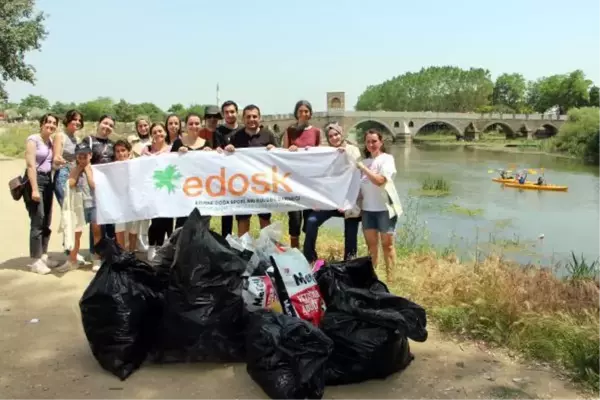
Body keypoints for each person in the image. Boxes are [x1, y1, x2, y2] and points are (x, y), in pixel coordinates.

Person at [303, 122, 361, 263]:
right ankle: (309, 258)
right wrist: (306, 152)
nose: (334, 138)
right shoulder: (327, 152)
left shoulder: (352, 149)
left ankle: (349, 261)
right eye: (330, 136)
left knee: (351, 231)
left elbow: (356, 169)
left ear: (341, 135)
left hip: (348, 202)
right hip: (330, 202)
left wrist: (345, 153)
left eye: (336, 134)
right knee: (311, 221)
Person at [351, 129, 402, 280]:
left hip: (385, 210)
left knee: (388, 245)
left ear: (380, 142)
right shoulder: (364, 162)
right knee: (371, 247)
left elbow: (380, 181)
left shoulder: (387, 159)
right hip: (368, 210)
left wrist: (363, 168)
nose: (371, 144)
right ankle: (374, 278)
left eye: (374, 141)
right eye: (368, 142)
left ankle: (391, 278)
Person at [223, 104, 277, 236]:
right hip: (243, 185)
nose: (251, 119)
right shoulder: (236, 136)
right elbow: (229, 160)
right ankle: (244, 252)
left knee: (264, 218)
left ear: (260, 118)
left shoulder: (268, 135)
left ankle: (267, 249)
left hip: (263, 185)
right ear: (243, 119)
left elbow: (278, 158)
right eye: (248, 117)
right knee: (243, 219)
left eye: (254, 116)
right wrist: (228, 150)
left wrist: (273, 149)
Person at [23, 113, 59, 274]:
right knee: (37, 219)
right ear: (41, 124)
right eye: (48, 122)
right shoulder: (33, 140)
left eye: (54, 123)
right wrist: (35, 189)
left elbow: (53, 162)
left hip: (48, 180)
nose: (50, 125)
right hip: (35, 180)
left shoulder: (50, 142)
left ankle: (44, 255)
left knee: (47, 220)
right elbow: (30, 165)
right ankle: (36, 261)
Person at [283, 100, 322, 248]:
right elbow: (282, 155)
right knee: (294, 217)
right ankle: (294, 251)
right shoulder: (289, 131)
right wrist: (289, 150)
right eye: (300, 111)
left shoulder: (316, 132)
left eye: (306, 111)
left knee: (310, 218)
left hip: (310, 181)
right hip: (293, 181)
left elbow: (320, 155)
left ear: (310, 113)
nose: (303, 114)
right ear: (296, 113)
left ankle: (309, 251)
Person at [56, 142, 96, 272]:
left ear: (90, 155)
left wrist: (88, 170)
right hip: (79, 204)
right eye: (80, 157)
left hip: (94, 203)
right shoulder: (74, 168)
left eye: (85, 156)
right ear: (76, 157)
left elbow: (94, 186)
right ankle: (72, 260)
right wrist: (78, 169)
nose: (82, 159)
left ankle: (97, 258)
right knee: (76, 233)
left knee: (97, 232)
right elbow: (71, 183)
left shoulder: (95, 169)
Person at [85, 114, 116, 271]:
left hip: (109, 188)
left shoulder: (112, 144)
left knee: (109, 221)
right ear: (99, 123)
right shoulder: (88, 141)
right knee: (96, 221)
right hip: (92, 186)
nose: (107, 127)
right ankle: (95, 255)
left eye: (111, 125)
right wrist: (91, 180)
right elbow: (84, 162)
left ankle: (108, 253)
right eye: (105, 123)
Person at [171, 112, 214, 228]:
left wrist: (211, 155)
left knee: (202, 223)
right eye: (191, 124)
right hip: (183, 191)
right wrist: (177, 154)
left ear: (201, 125)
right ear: (185, 125)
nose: (194, 126)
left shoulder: (207, 143)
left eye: (197, 123)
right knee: (182, 224)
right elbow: (170, 165)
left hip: (202, 191)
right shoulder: (178, 143)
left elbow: (212, 168)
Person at [143, 123, 173, 260]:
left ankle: (161, 247)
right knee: (155, 221)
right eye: (154, 132)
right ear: (151, 135)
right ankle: (151, 246)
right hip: (152, 190)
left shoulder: (172, 149)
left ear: (165, 133)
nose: (158, 134)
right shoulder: (147, 149)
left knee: (167, 221)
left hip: (168, 189)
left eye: (160, 131)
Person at [214, 100, 242, 237]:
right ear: (223, 115)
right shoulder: (219, 132)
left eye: (232, 111)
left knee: (243, 215)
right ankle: (226, 242)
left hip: (243, 177)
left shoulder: (243, 131)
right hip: (226, 179)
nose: (230, 115)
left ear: (237, 112)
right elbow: (216, 150)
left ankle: (244, 244)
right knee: (227, 214)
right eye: (226, 112)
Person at [113, 140, 139, 252]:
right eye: (117, 151)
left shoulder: (136, 165)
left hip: (133, 201)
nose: (120, 153)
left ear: (129, 152)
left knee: (133, 229)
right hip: (118, 203)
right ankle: (122, 254)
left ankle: (131, 253)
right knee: (120, 229)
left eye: (123, 150)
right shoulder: (111, 167)